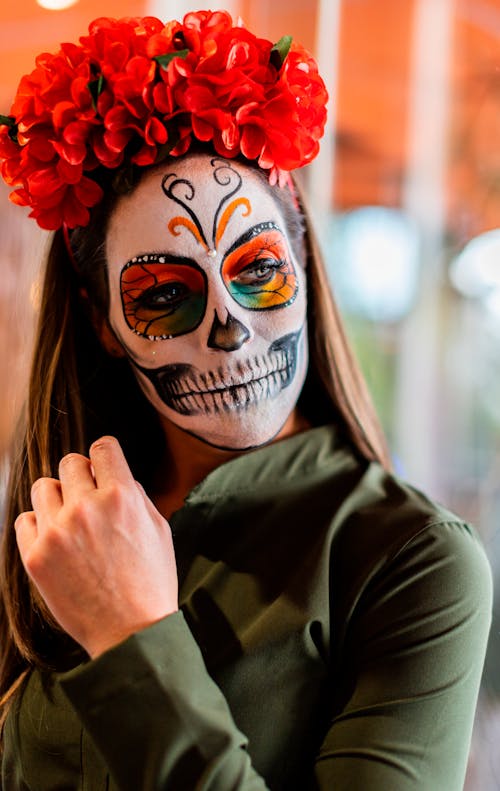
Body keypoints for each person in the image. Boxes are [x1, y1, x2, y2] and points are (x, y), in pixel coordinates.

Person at [0, 10, 492, 791]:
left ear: (302, 262)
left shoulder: (413, 559)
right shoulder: (50, 527)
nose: (230, 329)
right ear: (103, 326)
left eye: (257, 268)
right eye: (163, 292)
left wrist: (134, 633)